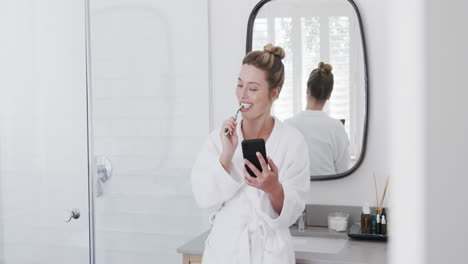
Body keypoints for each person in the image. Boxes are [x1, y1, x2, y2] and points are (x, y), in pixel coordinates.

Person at [190, 44, 310, 264]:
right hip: (225, 252)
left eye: (253, 89)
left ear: (274, 92)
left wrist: (273, 188)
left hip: (270, 254)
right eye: (239, 85)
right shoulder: (219, 138)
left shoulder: (292, 142)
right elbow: (203, 197)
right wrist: (226, 155)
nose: (242, 95)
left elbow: (292, 212)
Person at [285, 62, 350, 175]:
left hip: (297, 191)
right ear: (329, 95)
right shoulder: (337, 127)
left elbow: (283, 168)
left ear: (307, 89)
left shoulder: (288, 125)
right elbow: (343, 171)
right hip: (329, 190)